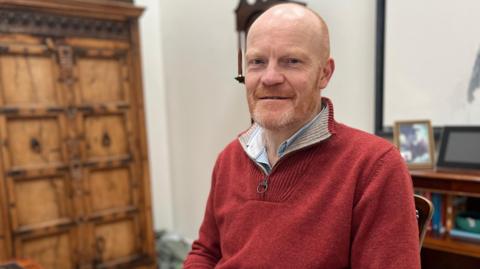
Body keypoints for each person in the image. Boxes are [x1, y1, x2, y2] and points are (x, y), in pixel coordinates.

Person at [184, 3, 420, 268]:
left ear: (324, 73)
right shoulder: (229, 158)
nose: (270, 77)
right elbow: (205, 253)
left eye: (292, 61)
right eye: (257, 62)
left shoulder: (374, 167)